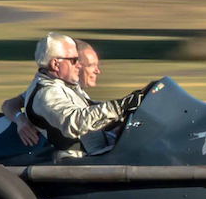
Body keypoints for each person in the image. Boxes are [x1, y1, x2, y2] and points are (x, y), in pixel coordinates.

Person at [8, 33, 146, 157]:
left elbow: (87, 110)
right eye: (74, 60)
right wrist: (120, 106)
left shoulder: (61, 85)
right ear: (55, 64)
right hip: (87, 164)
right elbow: (73, 121)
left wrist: (123, 113)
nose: (78, 65)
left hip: (100, 153)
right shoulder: (46, 93)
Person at [1, 37, 101, 147]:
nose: (97, 71)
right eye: (90, 65)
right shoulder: (49, 91)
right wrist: (20, 120)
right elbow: (9, 104)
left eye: (97, 64)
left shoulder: (74, 89)